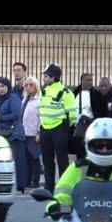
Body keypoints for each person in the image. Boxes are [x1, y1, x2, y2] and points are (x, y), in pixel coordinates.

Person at [39, 63, 77, 192]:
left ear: (53, 77)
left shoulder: (66, 92)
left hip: (60, 129)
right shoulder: (43, 91)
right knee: (47, 160)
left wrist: (66, 128)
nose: (43, 79)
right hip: (45, 128)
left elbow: (72, 115)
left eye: (45, 76)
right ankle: (48, 187)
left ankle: (63, 187)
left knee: (62, 161)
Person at [0, 77, 27, 192]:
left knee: (18, 160)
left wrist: (0, 117)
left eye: (3, 86)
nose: (1, 89)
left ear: (8, 87)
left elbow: (17, 115)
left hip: (14, 134)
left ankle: (20, 185)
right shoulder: (1, 99)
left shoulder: (13, 98)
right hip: (5, 133)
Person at [72, 73, 109, 159]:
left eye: (91, 80)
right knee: (79, 151)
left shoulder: (97, 95)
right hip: (76, 126)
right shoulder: (74, 94)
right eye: (88, 80)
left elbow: (104, 112)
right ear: (81, 81)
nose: (90, 82)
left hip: (91, 126)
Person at [22, 76, 41, 188]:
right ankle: (27, 181)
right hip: (24, 132)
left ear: (36, 86)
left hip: (33, 133)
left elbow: (41, 117)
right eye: (26, 85)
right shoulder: (25, 99)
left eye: (31, 85)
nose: (28, 87)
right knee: (27, 159)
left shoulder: (39, 100)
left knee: (35, 158)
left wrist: (39, 132)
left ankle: (35, 181)